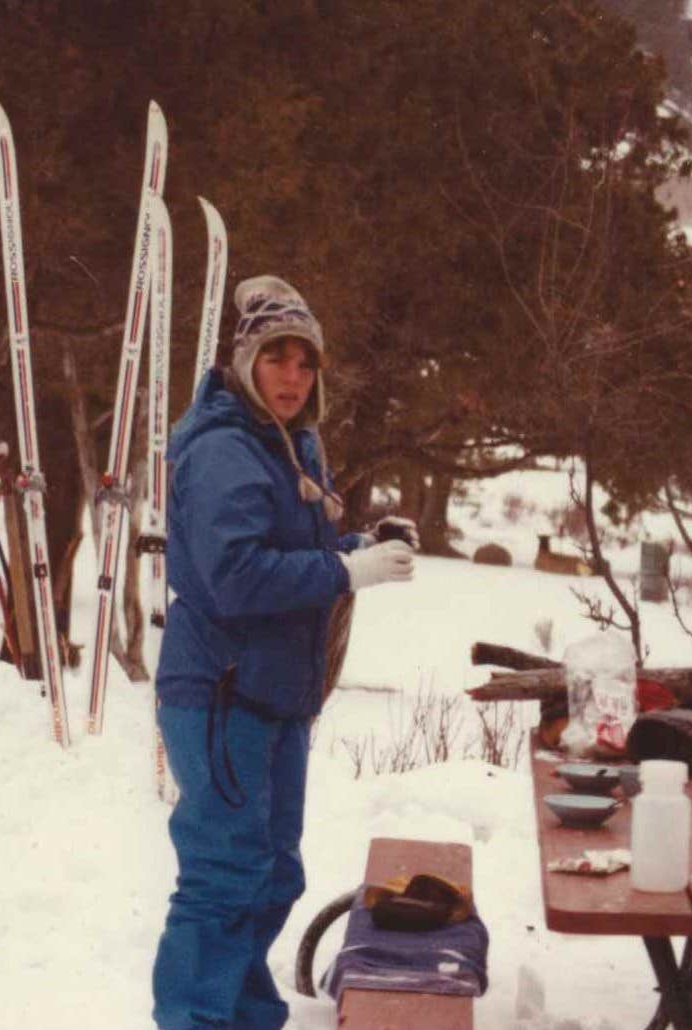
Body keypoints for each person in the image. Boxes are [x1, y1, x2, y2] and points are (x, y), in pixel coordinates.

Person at [151, 275, 418, 1029]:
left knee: (271, 874)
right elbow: (236, 577)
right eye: (277, 359)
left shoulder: (285, 443)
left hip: (272, 698)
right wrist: (342, 571)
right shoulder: (224, 450)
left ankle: (240, 1014)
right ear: (246, 362)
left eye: (305, 362)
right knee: (223, 877)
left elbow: (287, 549)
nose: (293, 377)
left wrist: (360, 547)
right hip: (221, 695)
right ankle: (198, 1020)